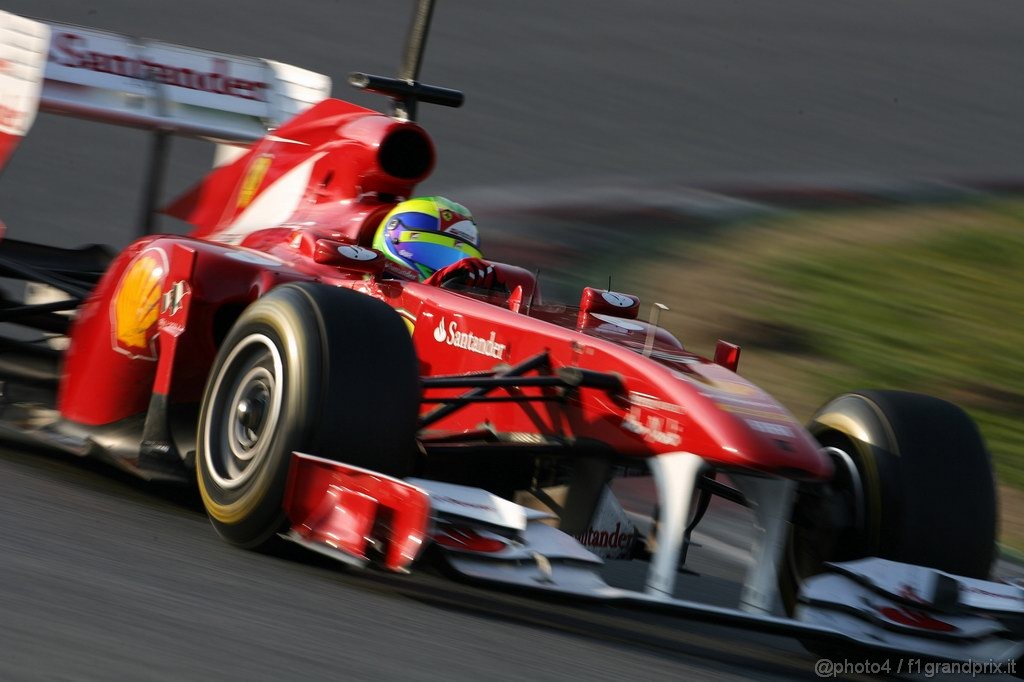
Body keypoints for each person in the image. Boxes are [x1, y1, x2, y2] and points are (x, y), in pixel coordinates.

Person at [371, 196, 503, 289]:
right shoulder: (359, 301)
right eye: (432, 253)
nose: (450, 271)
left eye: (452, 259)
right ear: (393, 237)